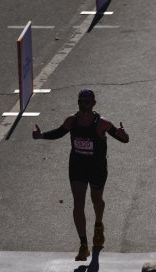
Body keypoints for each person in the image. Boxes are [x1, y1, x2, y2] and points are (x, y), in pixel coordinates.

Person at [33, 89, 129, 261]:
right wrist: (41, 136)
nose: (83, 105)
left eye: (86, 102)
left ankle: (98, 225)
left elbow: (123, 139)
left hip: (97, 168)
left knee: (96, 200)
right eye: (80, 101)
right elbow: (59, 132)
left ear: (94, 104)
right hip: (77, 167)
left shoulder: (102, 123)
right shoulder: (72, 120)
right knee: (78, 203)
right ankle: (83, 244)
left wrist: (124, 135)